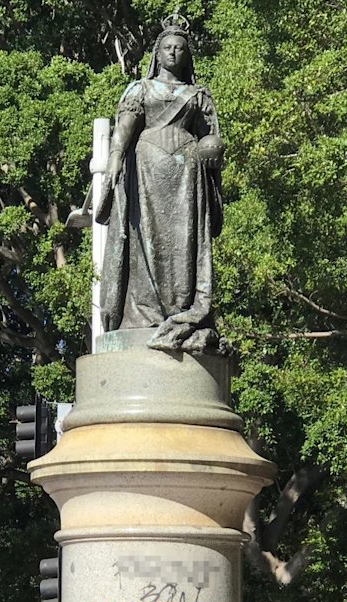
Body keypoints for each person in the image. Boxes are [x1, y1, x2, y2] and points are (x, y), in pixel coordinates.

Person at [96, 15, 225, 353]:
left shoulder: (198, 95)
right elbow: (123, 131)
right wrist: (114, 161)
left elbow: (210, 137)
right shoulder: (140, 89)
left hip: (187, 178)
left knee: (184, 243)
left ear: (187, 54)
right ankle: (142, 315)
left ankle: (181, 309)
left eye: (179, 48)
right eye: (167, 47)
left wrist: (213, 152)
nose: (173, 52)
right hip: (146, 173)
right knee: (144, 242)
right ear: (157, 53)